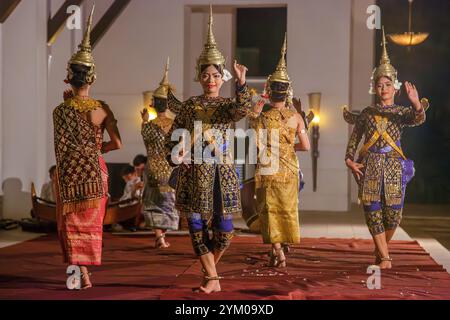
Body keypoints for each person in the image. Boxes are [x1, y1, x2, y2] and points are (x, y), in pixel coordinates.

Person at [165, 5, 252, 294]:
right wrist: (177, 155)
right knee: (196, 224)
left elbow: (242, 109)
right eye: (206, 75)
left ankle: (210, 275)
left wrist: (241, 83)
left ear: (221, 77)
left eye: (216, 75)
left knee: (225, 229)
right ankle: (212, 279)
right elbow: (175, 136)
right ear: (199, 77)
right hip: (195, 172)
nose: (211, 80)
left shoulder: (228, 106)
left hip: (223, 172)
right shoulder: (189, 106)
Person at [343, 27, 428, 269]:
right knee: (372, 210)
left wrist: (415, 104)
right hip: (369, 166)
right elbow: (354, 140)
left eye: (388, 84)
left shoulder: (402, 113)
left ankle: (380, 251)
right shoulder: (367, 113)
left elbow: (418, 119)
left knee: (393, 216)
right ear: (374, 88)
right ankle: (386, 257)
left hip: (393, 166)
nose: (383, 89)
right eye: (379, 85)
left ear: (396, 88)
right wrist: (349, 160)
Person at [53, 5, 122, 289]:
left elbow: (65, 144)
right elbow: (117, 144)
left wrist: (69, 103)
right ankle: (86, 272)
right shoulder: (102, 109)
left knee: (70, 226)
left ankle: (77, 273)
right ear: (92, 78)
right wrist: (97, 149)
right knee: (90, 226)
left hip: (69, 175)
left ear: (69, 77)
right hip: (95, 173)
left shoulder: (60, 110)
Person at [249, 34, 310, 268]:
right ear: (288, 92)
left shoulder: (263, 117)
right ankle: (281, 247)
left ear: (269, 90)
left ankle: (277, 251)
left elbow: (256, 143)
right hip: (290, 169)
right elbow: (305, 146)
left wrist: (256, 110)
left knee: (269, 209)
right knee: (287, 208)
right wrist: (287, 147)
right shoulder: (296, 118)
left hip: (268, 168)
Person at [140, 58, 180, 248]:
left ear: (154, 104)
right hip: (170, 170)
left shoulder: (148, 127)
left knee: (154, 204)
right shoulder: (175, 125)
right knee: (167, 204)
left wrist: (144, 121)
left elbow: (146, 141)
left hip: (153, 169)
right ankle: (162, 237)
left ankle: (159, 237)